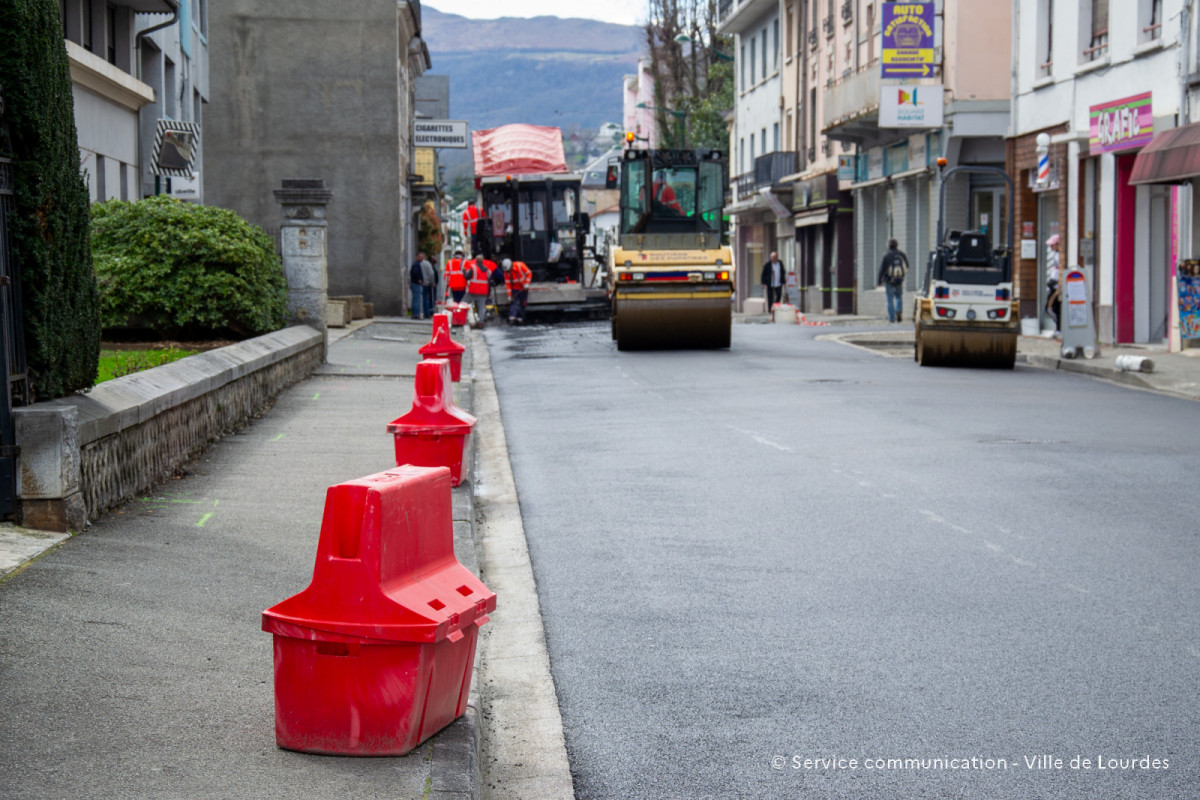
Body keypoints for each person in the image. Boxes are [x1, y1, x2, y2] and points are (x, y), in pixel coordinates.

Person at [876, 239, 909, 323]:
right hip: (899, 279)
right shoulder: (901, 254)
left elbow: (881, 269)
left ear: (888, 246)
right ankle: (899, 310)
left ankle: (891, 317)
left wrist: (879, 281)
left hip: (889, 280)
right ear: (897, 245)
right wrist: (902, 275)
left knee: (890, 299)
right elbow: (907, 266)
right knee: (898, 296)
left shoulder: (886, 255)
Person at [465, 253, 494, 328]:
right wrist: (489, 292)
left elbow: (467, 277)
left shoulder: (473, 268)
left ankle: (464, 319)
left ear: (476, 261)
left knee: (464, 303)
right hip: (483, 291)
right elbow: (489, 282)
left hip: (473, 291)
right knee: (481, 307)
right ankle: (481, 322)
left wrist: (464, 272)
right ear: (482, 261)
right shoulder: (487, 270)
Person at [503, 258, 533, 323]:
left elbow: (529, 273)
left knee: (523, 303)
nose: (508, 272)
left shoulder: (520, 265)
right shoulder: (506, 273)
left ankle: (520, 317)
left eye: (508, 270)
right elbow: (508, 285)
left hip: (523, 287)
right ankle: (512, 317)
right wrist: (509, 296)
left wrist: (527, 284)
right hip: (515, 288)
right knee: (513, 302)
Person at [1045, 234, 1061, 332]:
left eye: (1052, 245)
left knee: (1053, 307)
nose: (1051, 247)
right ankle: (1058, 326)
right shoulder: (1056, 254)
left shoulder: (1060, 255)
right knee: (1050, 308)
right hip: (1053, 283)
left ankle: (1059, 327)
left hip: (1057, 285)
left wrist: (1056, 281)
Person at [409, 251, 428, 319]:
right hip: (416, 284)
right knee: (417, 299)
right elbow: (415, 272)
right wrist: (419, 279)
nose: (422, 259)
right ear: (417, 257)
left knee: (416, 298)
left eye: (423, 257)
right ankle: (416, 314)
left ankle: (415, 313)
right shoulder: (416, 264)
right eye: (421, 257)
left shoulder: (417, 264)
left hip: (414, 283)